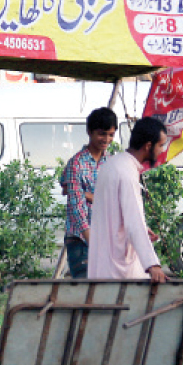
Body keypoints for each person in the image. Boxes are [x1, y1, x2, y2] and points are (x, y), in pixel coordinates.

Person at [87, 117, 167, 284]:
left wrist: (143, 229)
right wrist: (152, 264)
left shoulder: (114, 164)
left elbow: (119, 215)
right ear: (148, 146)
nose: (161, 151)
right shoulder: (126, 172)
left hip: (105, 262)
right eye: (160, 145)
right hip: (118, 268)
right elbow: (134, 221)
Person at [60, 107, 118, 278]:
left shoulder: (111, 161)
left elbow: (114, 199)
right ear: (89, 132)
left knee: (105, 292)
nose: (106, 139)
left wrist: (90, 196)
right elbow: (76, 207)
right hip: (80, 239)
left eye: (111, 135)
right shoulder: (76, 163)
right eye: (102, 134)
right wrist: (91, 240)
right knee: (85, 290)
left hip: (105, 236)